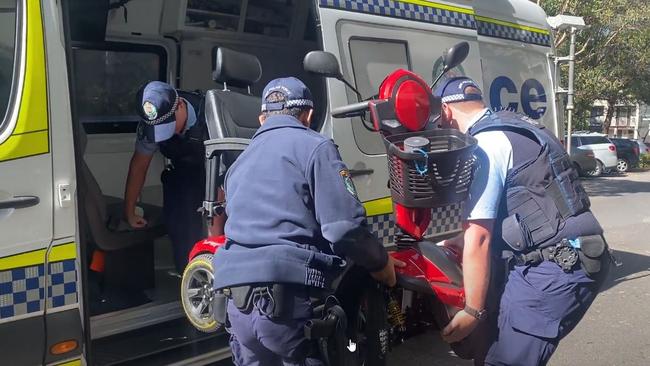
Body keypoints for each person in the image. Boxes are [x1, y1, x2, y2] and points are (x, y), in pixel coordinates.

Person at [212, 77, 404, 366]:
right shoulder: (316, 147)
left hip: (237, 307)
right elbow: (344, 229)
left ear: (263, 117)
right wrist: (380, 264)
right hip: (288, 305)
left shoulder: (238, 163)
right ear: (309, 115)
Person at [433, 76, 611, 365]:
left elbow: (480, 237)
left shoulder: (485, 144)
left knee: (501, 360)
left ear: (446, 111)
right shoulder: (517, 127)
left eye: (438, 122)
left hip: (556, 265)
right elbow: (528, 204)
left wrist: (473, 311)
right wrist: (458, 240)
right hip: (570, 254)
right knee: (489, 350)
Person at [124, 81, 225, 273]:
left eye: (168, 126)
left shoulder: (211, 116)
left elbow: (221, 179)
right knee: (181, 230)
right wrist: (130, 211)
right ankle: (187, 278)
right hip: (184, 176)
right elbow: (139, 166)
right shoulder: (151, 121)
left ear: (179, 105)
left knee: (216, 238)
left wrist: (214, 237)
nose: (163, 136)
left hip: (218, 176)